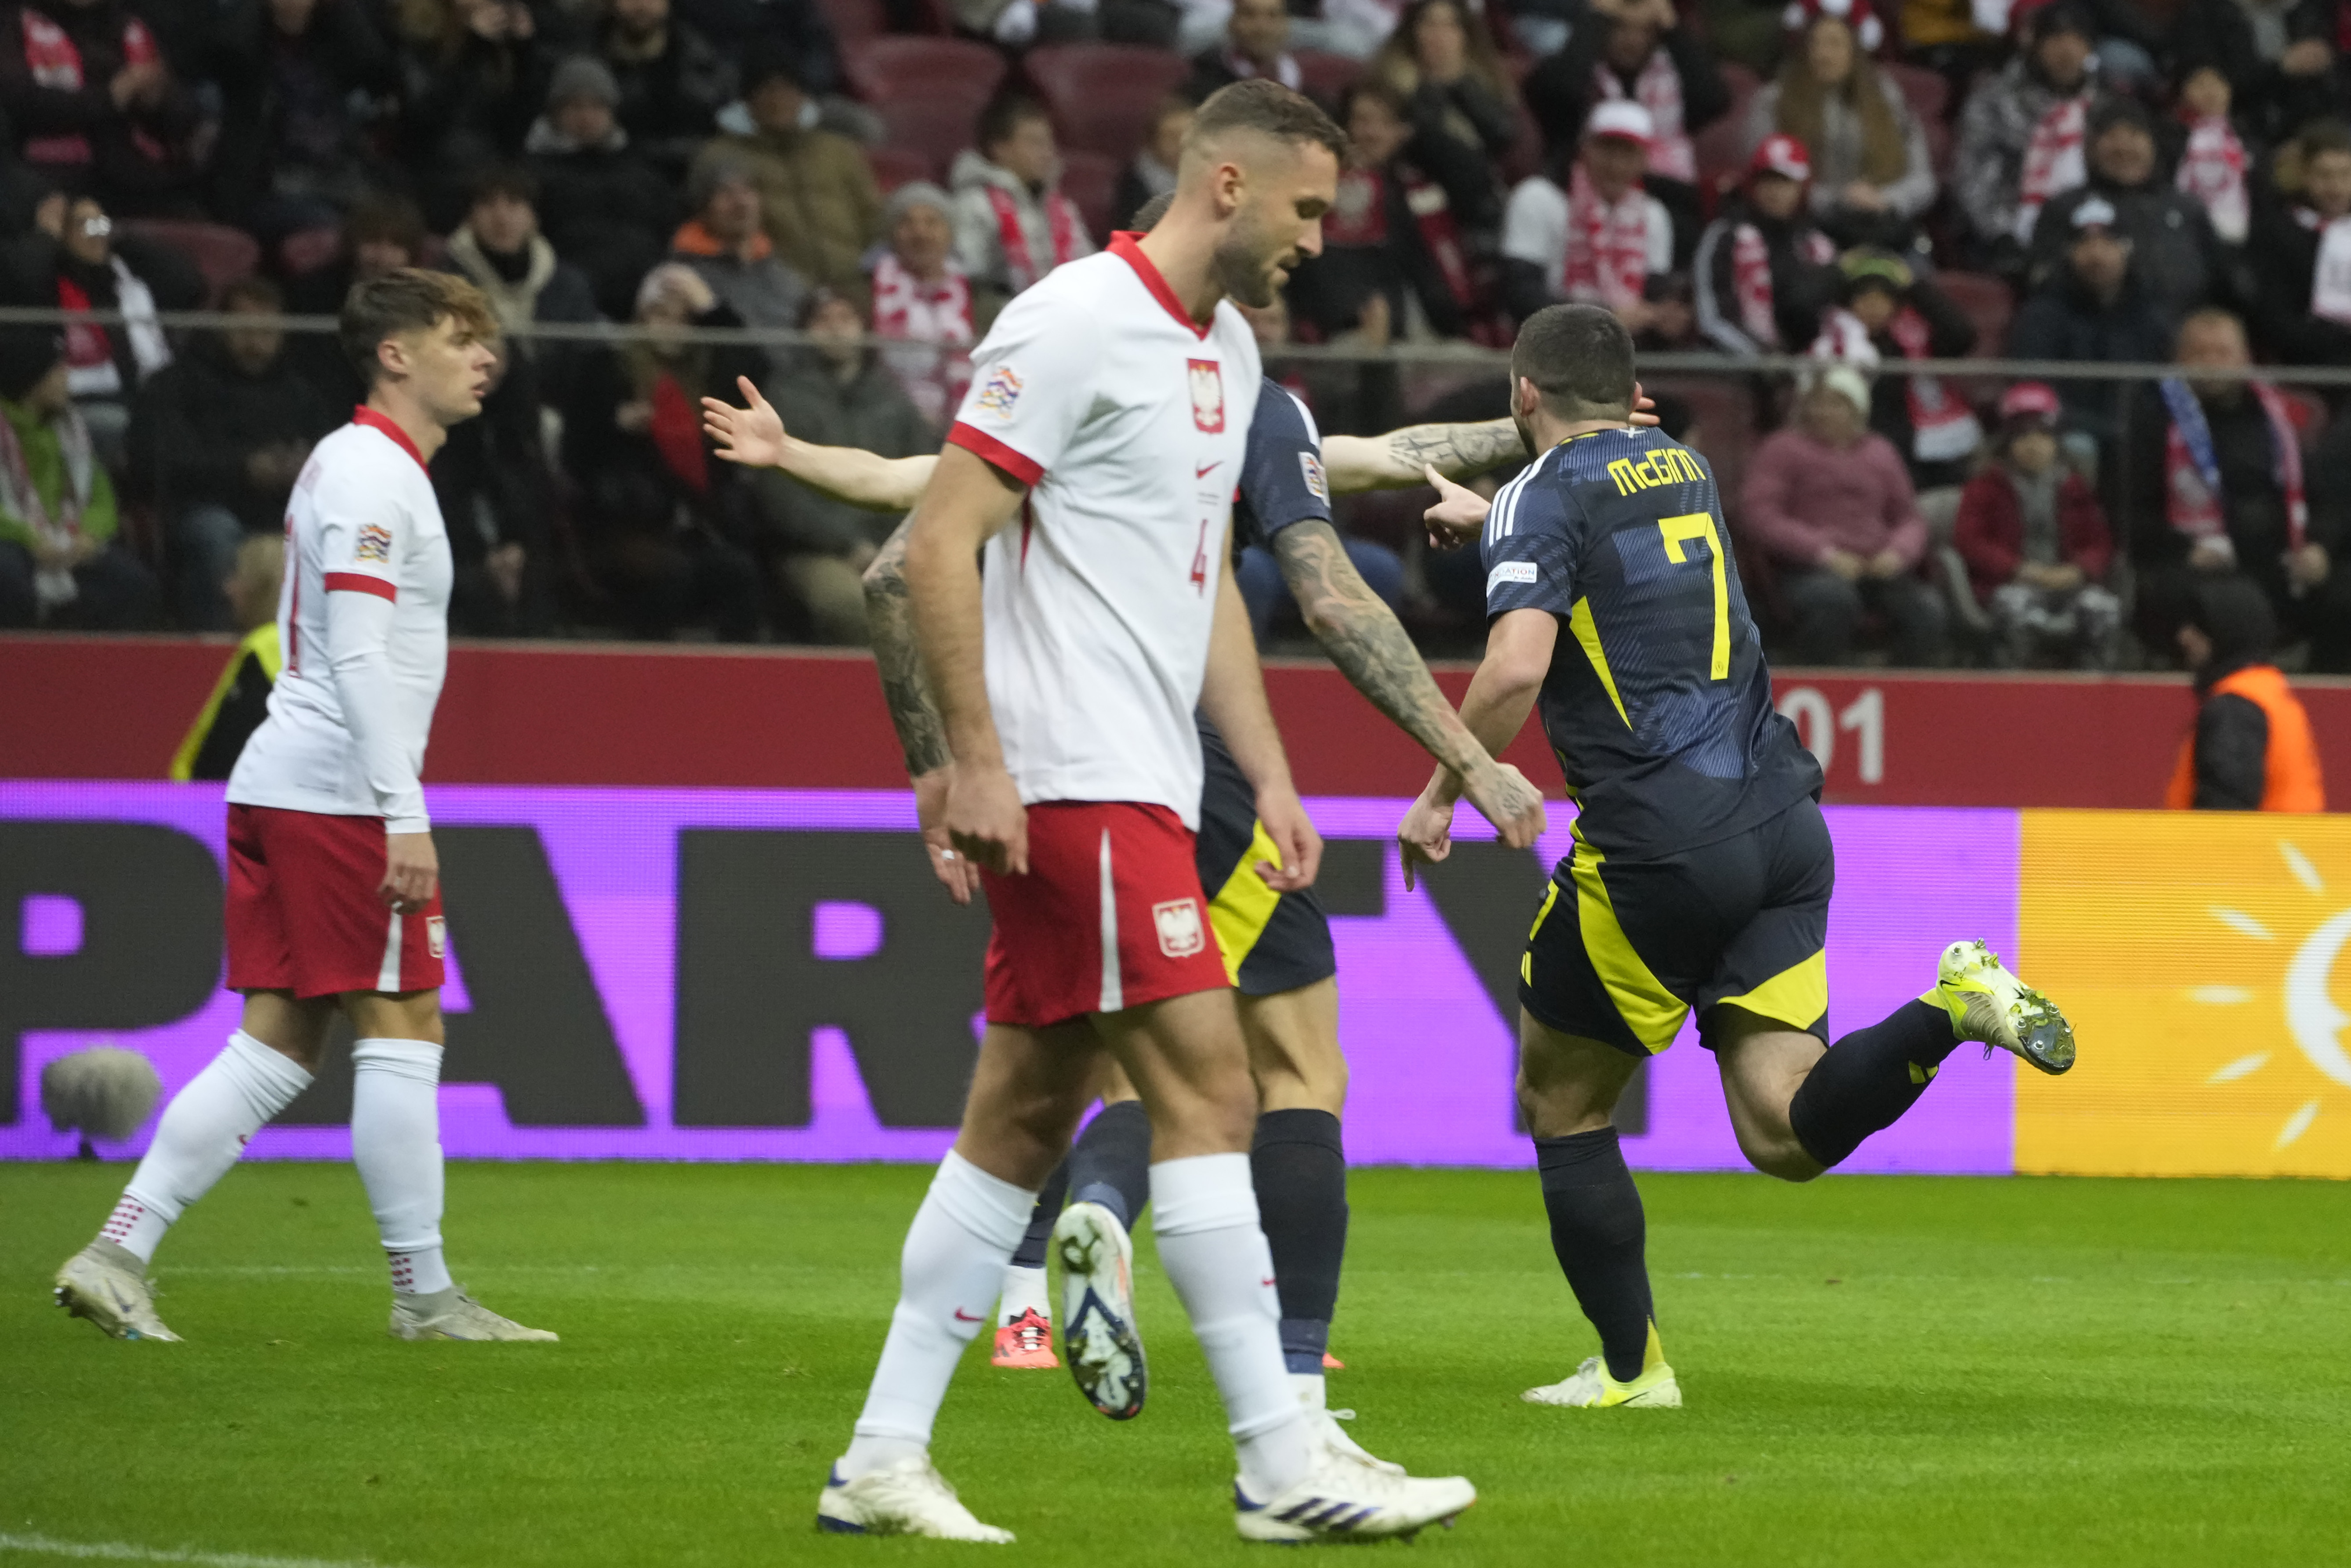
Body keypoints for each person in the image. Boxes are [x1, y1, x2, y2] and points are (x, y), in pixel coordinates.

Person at [723, 79, 1476, 1543]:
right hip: (1075, 780)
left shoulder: (1235, 353)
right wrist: (976, 759)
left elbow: (1202, 601)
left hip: (1147, 773)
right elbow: (935, 545)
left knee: (1012, 1124)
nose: (1323, 240)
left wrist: (1267, 771)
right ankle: (1280, 1460)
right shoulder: (1070, 320)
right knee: (1210, 1097)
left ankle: (880, 1454)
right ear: (1228, 187)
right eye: (1311, 207)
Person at [1402, 303, 2076, 1413]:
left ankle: (1633, 1369)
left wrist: (1443, 786)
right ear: (1630, 393)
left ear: (1523, 394)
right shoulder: (1688, 466)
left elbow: (1518, 665)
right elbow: (1617, 563)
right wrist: (1496, 522)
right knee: (1783, 1130)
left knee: (1562, 1099)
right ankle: (1951, 1007)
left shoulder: (1538, 493)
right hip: (1782, 826)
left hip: (1658, 845)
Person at [51, 268, 556, 1344]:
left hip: (293, 782)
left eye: (489, 337)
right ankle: (423, 1295)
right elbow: (363, 653)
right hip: (338, 795)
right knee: (407, 1021)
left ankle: (116, 1250)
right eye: (461, 336)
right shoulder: (376, 473)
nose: (486, 357)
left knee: (277, 1043)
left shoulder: (357, 462)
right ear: (394, 352)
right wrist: (401, 809)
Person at [2123, 307, 2351, 673]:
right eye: (2200, 353)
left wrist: (2319, 548)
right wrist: (2184, 550)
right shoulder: (2153, 419)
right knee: (2218, 602)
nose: (2212, 363)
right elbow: (2130, 514)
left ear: (2246, 359)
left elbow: (2325, 500)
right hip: (2194, 566)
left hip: (2280, 565)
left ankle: (2320, 699)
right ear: (2179, 360)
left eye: (2223, 352)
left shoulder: (2278, 419)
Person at [562, 261, 763, 641]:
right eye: (660, 313)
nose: (671, 325)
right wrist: (616, 425)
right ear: (641, 317)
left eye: (683, 317)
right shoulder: (606, 368)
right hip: (623, 524)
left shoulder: (705, 377)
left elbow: (752, 367)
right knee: (670, 575)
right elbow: (576, 454)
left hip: (693, 526)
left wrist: (711, 306)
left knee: (739, 573)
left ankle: (737, 684)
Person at [126, 275, 339, 631]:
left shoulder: (302, 394)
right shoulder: (176, 383)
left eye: (266, 330)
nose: (255, 341)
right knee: (216, 536)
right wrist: (244, 470)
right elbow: (156, 462)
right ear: (221, 326)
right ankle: (216, 642)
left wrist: (304, 470)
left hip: (284, 509)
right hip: (203, 506)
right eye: (244, 328)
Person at [750, 290, 933, 644]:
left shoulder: (893, 399)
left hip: (894, 548)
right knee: (851, 605)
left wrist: (893, 549)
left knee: (945, 603)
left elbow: (925, 480)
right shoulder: (782, 397)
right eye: (823, 320)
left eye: (845, 319)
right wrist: (850, 546)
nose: (836, 330)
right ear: (805, 331)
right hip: (816, 552)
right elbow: (781, 496)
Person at [1741, 366, 1948, 666]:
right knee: (1833, 602)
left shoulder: (1881, 452)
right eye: (1818, 403)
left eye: (1836, 404)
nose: (1824, 412)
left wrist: (1898, 553)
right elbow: (1759, 514)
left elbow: (1909, 518)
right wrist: (1823, 553)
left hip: (1876, 566)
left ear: (1857, 411)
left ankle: (1906, 695)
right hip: (1805, 567)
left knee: (1926, 609)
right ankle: (1819, 687)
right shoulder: (1782, 449)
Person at [1288, 78, 1499, 345]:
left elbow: (1475, 174)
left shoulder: (1420, 190)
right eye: (1362, 121)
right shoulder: (1325, 191)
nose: (1371, 133)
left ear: (1404, 132)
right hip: (1346, 334)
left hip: (1428, 336)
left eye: (1385, 123)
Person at [11, 190, 200, 464]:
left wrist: (120, 236)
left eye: (101, 224)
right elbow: (22, 273)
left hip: (145, 395)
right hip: (79, 402)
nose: (96, 232)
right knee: (128, 427)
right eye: (85, 225)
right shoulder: (47, 281)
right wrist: (45, 237)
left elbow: (189, 284)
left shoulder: (126, 278)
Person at [687, 38, 878, 295]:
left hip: (856, 292)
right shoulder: (719, 157)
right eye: (767, 91)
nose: (778, 101)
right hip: (775, 297)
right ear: (748, 100)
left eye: (788, 90)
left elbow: (873, 216)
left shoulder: (839, 150)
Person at [1953, 380, 2122, 669]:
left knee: (2103, 610)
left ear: (2056, 441)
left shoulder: (2075, 486)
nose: (2034, 446)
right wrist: (2018, 569)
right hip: (2010, 584)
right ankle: (2014, 693)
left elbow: (2100, 541)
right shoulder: (1985, 486)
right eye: (2023, 437)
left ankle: (2092, 693)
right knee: (2015, 611)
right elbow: (1970, 540)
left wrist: (2079, 570)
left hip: (2069, 582)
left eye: (2043, 436)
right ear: (2007, 442)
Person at [1741, 0, 1935, 249]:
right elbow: (1764, 179)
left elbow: (1922, 178)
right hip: (1808, 230)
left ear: (1855, 51)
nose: (1824, 54)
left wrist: (1887, 199)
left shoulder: (1887, 97)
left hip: (1884, 224)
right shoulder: (1773, 102)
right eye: (1816, 43)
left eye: (1835, 44)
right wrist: (1838, 199)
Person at [2028, 96, 2228, 333]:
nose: (2123, 147)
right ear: (2092, 148)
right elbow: (2039, 279)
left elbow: (2219, 277)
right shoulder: (2064, 208)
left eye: (2134, 134)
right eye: (2111, 135)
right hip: (2097, 340)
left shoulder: (2188, 208)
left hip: (2185, 340)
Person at [0, 323, 156, 628]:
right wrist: (30, 539)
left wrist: (89, 535)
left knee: (136, 585)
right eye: (58, 371)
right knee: (10, 577)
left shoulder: (70, 428)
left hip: (66, 541)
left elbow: (100, 496)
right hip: (14, 541)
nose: (67, 379)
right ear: (30, 378)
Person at [1523, 0, 1731, 226]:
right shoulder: (1573, 74)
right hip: (1583, 205)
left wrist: (1673, 29)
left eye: (1646, 31)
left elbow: (1714, 99)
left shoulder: (1673, 79)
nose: (1633, 41)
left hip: (1667, 202)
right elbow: (1561, 90)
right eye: (1621, 28)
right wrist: (1597, 15)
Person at [209, 0, 400, 235]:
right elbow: (229, 46)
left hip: (336, 176)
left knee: (392, 220)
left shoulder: (330, 41)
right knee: (334, 226)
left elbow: (374, 62)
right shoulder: (248, 47)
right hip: (268, 186)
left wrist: (338, 8)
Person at [0, 0, 201, 216]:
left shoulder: (128, 24)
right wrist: (110, 97)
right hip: (52, 185)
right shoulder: (13, 22)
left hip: (138, 180)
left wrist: (160, 98)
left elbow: (183, 114)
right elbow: (22, 104)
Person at [2005, 196, 2171, 455]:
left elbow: (2168, 388)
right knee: (2078, 447)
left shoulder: (2151, 314)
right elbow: (2034, 391)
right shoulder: (2042, 314)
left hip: (2142, 437)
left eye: (2109, 242)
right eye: (2084, 244)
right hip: (2068, 436)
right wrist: (2104, 429)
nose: (2096, 255)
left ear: (2127, 250)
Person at [1807, 248, 1980, 493]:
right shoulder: (1833, 341)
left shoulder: (1915, 339)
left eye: (1882, 299)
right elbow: (1798, 306)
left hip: (1925, 445)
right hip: (1866, 449)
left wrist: (1915, 285)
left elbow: (1962, 335)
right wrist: (1836, 272)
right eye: (1864, 298)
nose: (1873, 306)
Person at [1953, 0, 2105, 277]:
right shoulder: (1994, 102)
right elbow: (1974, 177)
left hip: (2096, 238)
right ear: (2035, 46)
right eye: (2056, 40)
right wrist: (2003, 234)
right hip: (2010, 238)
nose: (2067, 51)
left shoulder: (2106, 109)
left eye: (2077, 41)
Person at [526, 54, 679, 319]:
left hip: (648, 303)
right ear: (555, 113)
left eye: (597, 107)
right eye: (575, 107)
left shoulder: (643, 172)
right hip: (573, 305)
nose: (587, 117)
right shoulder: (534, 174)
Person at [1502, 101, 1675, 333]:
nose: (1616, 165)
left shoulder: (1654, 215)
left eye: (1628, 153)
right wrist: (1602, 320)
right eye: (1607, 149)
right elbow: (1519, 294)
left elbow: (1655, 296)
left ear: (1645, 160)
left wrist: (1666, 318)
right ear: (1584, 149)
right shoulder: (1538, 198)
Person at [2160, 573, 2326, 810]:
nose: (2184, 637)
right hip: (2282, 845)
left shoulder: (2235, 707)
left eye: (2198, 627)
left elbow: (2225, 810)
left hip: (2251, 847)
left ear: (2224, 632)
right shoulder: (2267, 691)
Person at [392, 0, 551, 229]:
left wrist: (525, 51)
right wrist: (473, 47)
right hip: (432, 174)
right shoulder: (420, 39)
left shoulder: (501, 50)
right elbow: (424, 120)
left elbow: (517, 126)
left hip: (493, 171)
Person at [435, 336, 554, 637]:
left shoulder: (517, 421)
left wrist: (516, 544)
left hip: (514, 544)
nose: (492, 365)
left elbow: (531, 488)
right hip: (454, 544)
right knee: (476, 588)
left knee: (536, 581)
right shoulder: (442, 423)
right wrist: (484, 554)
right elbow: (447, 495)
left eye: (499, 355)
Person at [443, 164, 601, 389]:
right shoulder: (445, 283)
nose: (502, 217)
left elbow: (583, 361)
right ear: (469, 217)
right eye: (488, 205)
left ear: (534, 217)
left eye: (514, 203)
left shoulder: (569, 285)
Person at [1693, 134, 1841, 356]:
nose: (1775, 192)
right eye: (1768, 181)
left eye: (1785, 182)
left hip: (1807, 365)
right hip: (1736, 363)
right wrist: (1765, 358)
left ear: (1802, 188)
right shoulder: (1727, 234)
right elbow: (1712, 316)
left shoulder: (1816, 245)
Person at [951, 93, 1096, 308]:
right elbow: (968, 278)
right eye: (1034, 143)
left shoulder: (1064, 209)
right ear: (999, 149)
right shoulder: (975, 205)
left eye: (1049, 143)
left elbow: (1089, 270)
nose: (1047, 153)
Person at [670, 153, 810, 376]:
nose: (741, 203)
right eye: (726, 194)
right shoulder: (682, 278)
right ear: (703, 208)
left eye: (748, 191)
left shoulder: (784, 274)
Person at [285, 192, 429, 405]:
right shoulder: (312, 293)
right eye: (373, 242)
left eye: (395, 245)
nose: (382, 256)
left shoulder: (427, 299)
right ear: (353, 244)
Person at [170, 534, 286, 781]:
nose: (228, 588)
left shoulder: (265, 647)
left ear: (262, 587)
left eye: (237, 576)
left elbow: (222, 756)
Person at [870, 181, 973, 433]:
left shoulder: (981, 297)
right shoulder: (865, 294)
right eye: (908, 224)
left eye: (932, 223)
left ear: (950, 233)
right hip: (888, 424)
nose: (920, 233)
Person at [2249, 120, 2351, 366]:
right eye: (2324, 175)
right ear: (2305, 175)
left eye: (2345, 174)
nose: (2335, 187)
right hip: (2304, 368)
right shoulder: (2278, 232)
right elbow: (2275, 318)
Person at [1369, 0, 1517, 168]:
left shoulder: (1483, 83)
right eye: (1430, 24)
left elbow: (1503, 135)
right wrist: (1432, 88)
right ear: (1413, 32)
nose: (1439, 35)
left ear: (1465, 35)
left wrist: (1461, 86)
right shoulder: (1390, 84)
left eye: (1450, 26)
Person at [598, 0, 734, 183]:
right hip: (615, 171)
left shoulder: (701, 59)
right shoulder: (591, 56)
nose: (641, 6)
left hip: (695, 169)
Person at [1184, 0, 1303, 99]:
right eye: (1249, 15)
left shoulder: (1307, 92)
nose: (1262, 28)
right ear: (1231, 23)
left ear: (1287, 24)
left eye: (1273, 15)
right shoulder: (1203, 84)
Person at [1114, 95, 1192, 235]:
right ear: (1153, 143)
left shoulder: (1208, 175)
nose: (1181, 144)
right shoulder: (1135, 185)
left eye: (1187, 136)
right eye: (1172, 137)